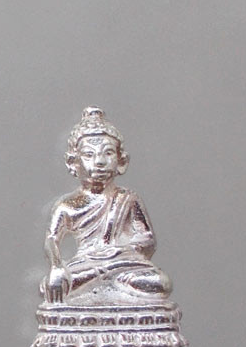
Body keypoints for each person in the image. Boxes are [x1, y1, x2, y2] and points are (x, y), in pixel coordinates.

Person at [41, 107, 172, 305]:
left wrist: (117, 252)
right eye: (89, 155)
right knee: (52, 286)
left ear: (122, 161)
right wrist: (56, 266)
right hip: (84, 267)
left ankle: (104, 294)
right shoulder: (66, 205)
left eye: (108, 153)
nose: (100, 162)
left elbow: (148, 241)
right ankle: (105, 293)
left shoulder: (128, 199)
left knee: (160, 283)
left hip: (122, 265)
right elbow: (51, 240)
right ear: (72, 163)